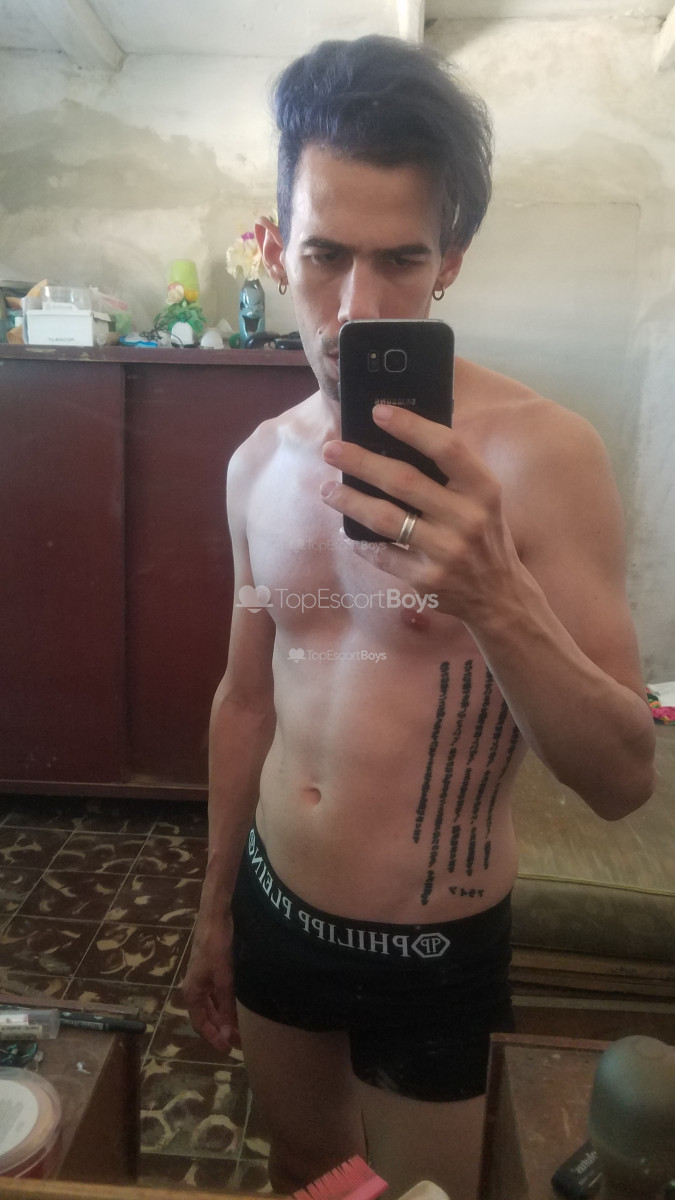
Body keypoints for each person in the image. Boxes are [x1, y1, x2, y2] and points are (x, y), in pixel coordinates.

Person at [184, 35, 656, 1200]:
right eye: (324, 255)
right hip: (275, 903)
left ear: (450, 260)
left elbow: (621, 777)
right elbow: (246, 700)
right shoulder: (256, 464)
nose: (356, 309)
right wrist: (214, 910)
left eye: (399, 259)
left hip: (431, 945)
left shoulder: (545, 458)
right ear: (276, 247)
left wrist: (495, 595)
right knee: (308, 1172)